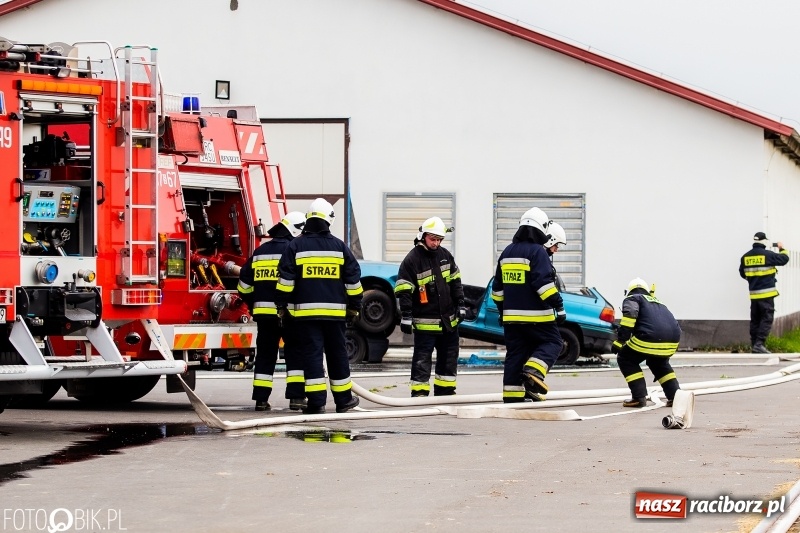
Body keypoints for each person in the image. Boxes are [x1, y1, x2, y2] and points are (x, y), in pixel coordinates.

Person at [274, 198, 363, 414]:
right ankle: (343, 401)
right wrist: (354, 307)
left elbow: (285, 281)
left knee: (312, 356)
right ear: (328, 220)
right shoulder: (339, 247)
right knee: (338, 355)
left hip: (304, 316)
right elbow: (353, 281)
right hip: (335, 316)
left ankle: (316, 403)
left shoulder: (295, 245)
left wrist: (282, 307)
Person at [492, 207, 565, 403]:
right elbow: (544, 286)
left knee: (516, 354)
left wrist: (503, 312)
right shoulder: (537, 252)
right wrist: (559, 306)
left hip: (511, 319)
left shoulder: (506, 253)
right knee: (554, 343)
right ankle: (534, 371)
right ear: (541, 228)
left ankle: (512, 396)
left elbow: (496, 291)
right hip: (537, 316)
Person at [237, 211, 308, 411]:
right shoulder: (293, 250)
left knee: (266, 355)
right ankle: (296, 398)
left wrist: (253, 303)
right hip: (288, 313)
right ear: (296, 230)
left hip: (263, 315)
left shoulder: (260, 252)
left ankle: (261, 399)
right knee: (294, 353)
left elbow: (243, 285)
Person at [394, 216, 465, 397]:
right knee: (422, 359)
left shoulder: (445, 255)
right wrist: (406, 315)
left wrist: (461, 305)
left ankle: (445, 390)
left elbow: (456, 282)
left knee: (449, 357)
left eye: (439, 239)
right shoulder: (412, 260)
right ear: (423, 236)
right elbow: (404, 289)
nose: (436, 243)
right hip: (425, 323)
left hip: (448, 321)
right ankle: (419, 393)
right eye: (432, 239)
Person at [612, 278, 681, 408]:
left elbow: (630, 316)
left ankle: (638, 398)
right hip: (672, 341)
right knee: (659, 363)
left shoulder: (633, 298)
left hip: (650, 338)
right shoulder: (658, 302)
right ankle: (676, 397)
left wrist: (620, 340)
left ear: (628, 291)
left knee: (625, 358)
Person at [739, 232, 790, 354]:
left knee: (755, 320)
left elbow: (742, 273)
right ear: (764, 241)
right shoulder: (768, 255)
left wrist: (754, 280)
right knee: (766, 319)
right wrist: (781, 248)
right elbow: (784, 259)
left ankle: (754, 344)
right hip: (766, 295)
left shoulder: (745, 257)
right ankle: (759, 344)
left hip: (754, 294)